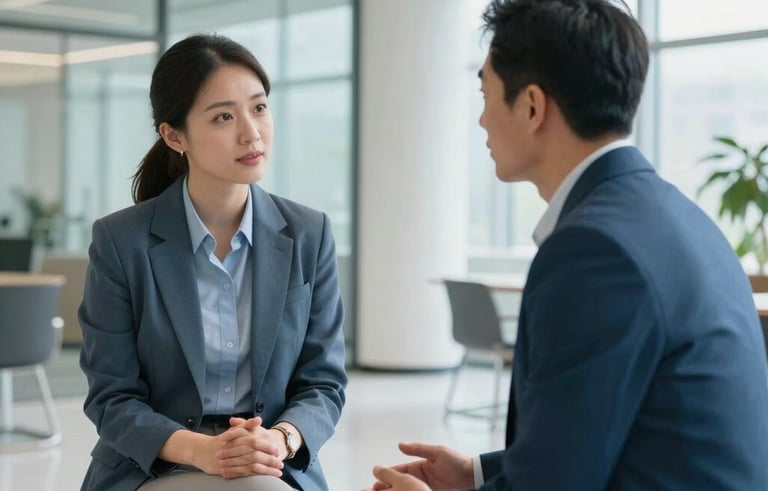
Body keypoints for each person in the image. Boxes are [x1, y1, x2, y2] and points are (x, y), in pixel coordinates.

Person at [366, 1, 768, 490]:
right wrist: (477, 474)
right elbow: (604, 436)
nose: (481, 122)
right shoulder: (673, 215)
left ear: (532, 105)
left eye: (486, 93)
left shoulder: (594, 251)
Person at [78, 34, 347, 491]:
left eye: (259, 107)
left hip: (270, 461)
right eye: (224, 116)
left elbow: (323, 383)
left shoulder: (308, 233)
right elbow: (112, 398)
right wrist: (205, 450)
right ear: (174, 135)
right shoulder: (121, 241)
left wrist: (279, 440)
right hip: (154, 463)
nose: (251, 132)